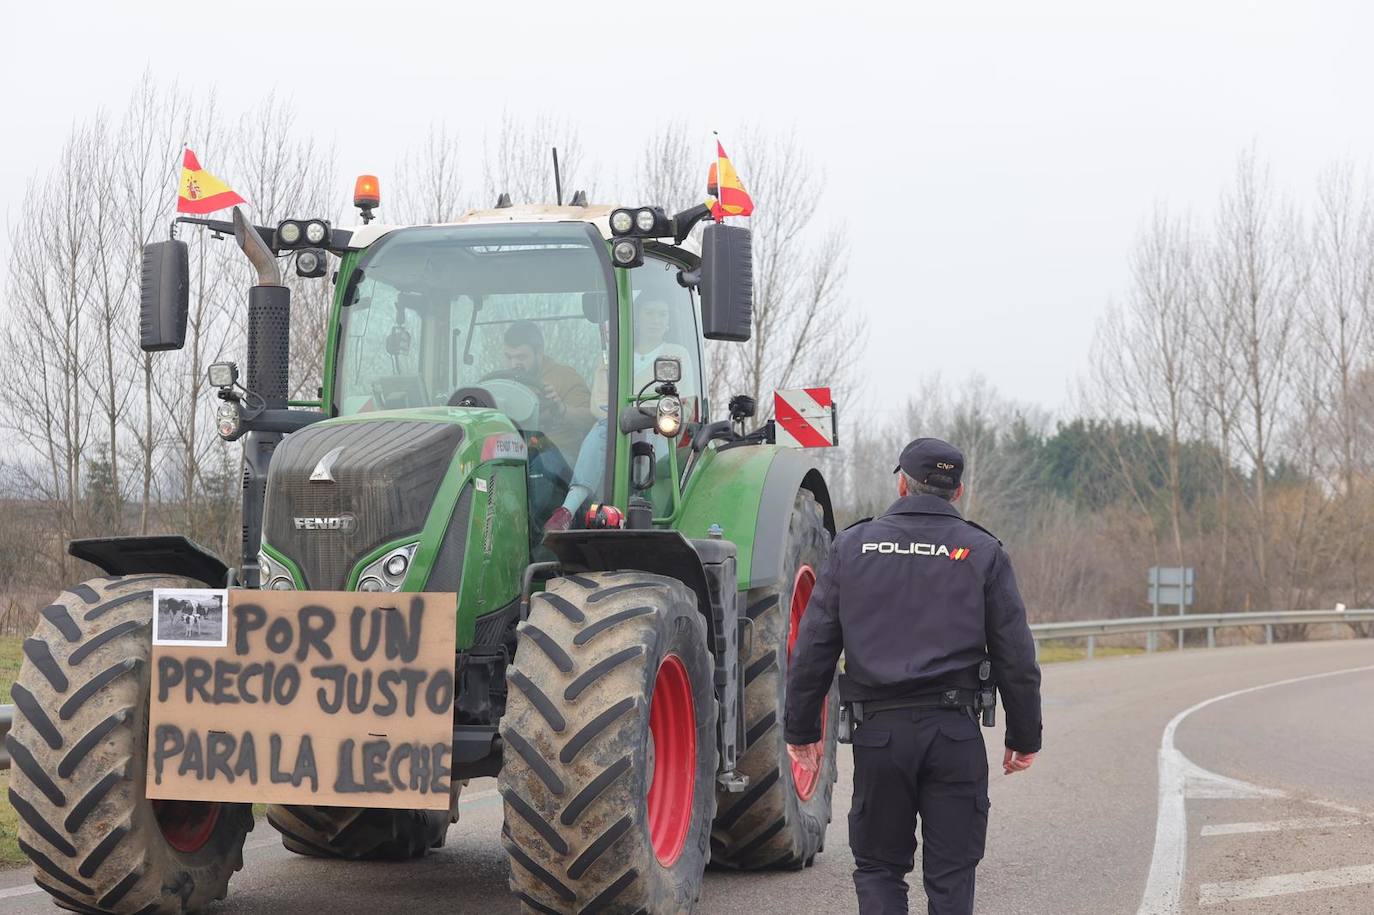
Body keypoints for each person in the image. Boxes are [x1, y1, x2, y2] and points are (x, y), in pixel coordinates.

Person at [785, 437, 1042, 915]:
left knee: (880, 869)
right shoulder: (983, 551)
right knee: (951, 875)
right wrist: (1024, 735)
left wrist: (801, 729)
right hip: (954, 734)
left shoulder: (854, 546)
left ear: (901, 483)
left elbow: (815, 645)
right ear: (958, 491)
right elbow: (1016, 656)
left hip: (880, 736)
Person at [544, 296, 693, 531]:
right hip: (616, 433)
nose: (656, 320)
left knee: (616, 432)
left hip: (659, 436)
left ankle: (627, 510)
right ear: (637, 319)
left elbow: (684, 406)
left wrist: (640, 414)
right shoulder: (614, 356)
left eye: (662, 315)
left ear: (668, 322)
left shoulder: (676, 355)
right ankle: (570, 512)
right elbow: (597, 406)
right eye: (649, 313)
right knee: (604, 429)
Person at [501, 321, 594, 458]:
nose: (514, 364)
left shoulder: (565, 377)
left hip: (559, 454)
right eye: (508, 357)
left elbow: (591, 420)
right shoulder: (501, 384)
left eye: (521, 357)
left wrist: (562, 409)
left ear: (539, 352)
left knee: (536, 459)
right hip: (514, 449)